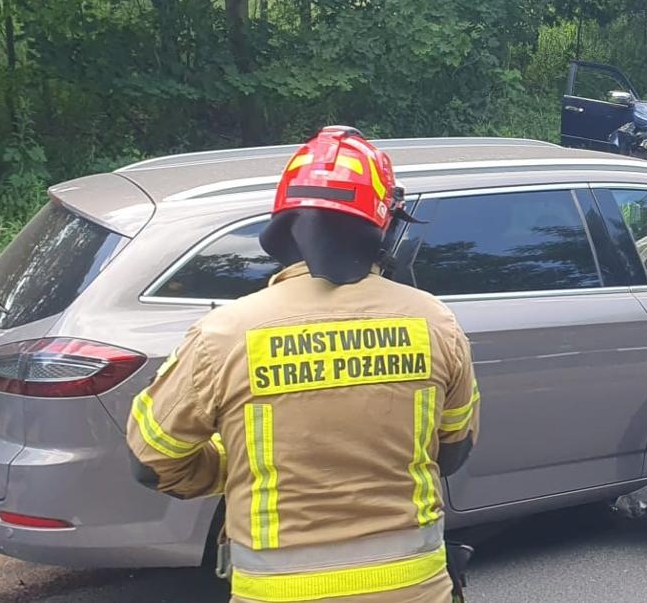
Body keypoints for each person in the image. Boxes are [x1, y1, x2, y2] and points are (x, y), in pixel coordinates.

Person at [126, 126, 480, 603]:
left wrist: (240, 464)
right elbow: (453, 451)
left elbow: (151, 462)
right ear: (383, 226)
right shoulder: (436, 323)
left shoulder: (224, 335)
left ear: (285, 226)